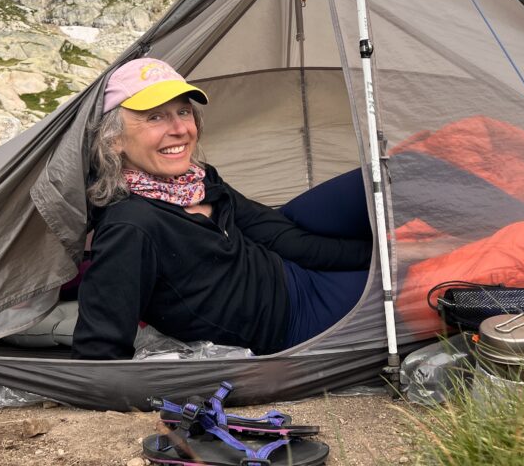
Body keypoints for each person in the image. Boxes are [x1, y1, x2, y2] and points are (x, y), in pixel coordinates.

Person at [71, 58, 373, 360]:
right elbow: (98, 352)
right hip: (293, 320)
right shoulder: (131, 227)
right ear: (114, 141)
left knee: (396, 172)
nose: (179, 128)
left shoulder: (200, 179)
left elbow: (280, 237)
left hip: (286, 266)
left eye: (184, 111)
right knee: (411, 281)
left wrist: (382, 256)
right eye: (154, 117)